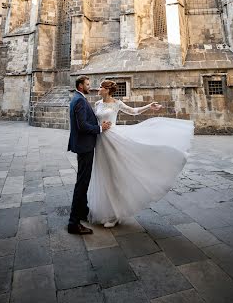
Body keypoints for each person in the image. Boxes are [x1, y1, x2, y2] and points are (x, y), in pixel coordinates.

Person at [88, 79, 194, 228]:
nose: (98, 88)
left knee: (114, 176)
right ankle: (105, 211)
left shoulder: (117, 103)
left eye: (101, 87)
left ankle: (115, 215)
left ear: (107, 90)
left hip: (113, 140)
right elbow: (94, 122)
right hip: (100, 142)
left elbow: (133, 111)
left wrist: (149, 106)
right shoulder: (97, 104)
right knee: (103, 175)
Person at [67, 75, 111, 235]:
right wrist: (100, 128)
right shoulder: (79, 100)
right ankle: (73, 222)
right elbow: (82, 125)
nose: (89, 86)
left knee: (83, 180)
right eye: (87, 84)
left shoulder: (79, 98)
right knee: (82, 183)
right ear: (80, 86)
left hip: (84, 145)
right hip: (84, 146)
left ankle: (83, 211)